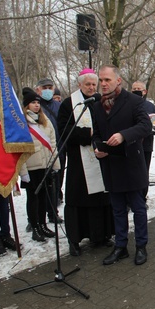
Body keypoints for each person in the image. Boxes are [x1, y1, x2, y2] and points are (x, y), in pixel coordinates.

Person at [92, 65, 152, 265]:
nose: (103, 84)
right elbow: (97, 133)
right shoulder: (97, 105)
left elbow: (145, 126)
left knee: (138, 208)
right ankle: (121, 247)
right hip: (110, 164)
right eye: (101, 80)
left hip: (131, 163)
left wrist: (123, 135)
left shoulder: (133, 101)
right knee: (117, 209)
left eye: (107, 80)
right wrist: (97, 148)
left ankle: (141, 246)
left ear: (118, 80)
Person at [57, 68, 114, 256]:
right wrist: (88, 134)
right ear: (79, 84)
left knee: (100, 196)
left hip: (100, 157)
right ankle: (74, 239)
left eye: (93, 84)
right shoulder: (69, 105)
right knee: (77, 199)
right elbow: (64, 131)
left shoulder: (101, 101)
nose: (91, 87)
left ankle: (101, 235)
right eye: (87, 84)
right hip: (78, 160)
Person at [19, 89, 60, 242]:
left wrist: (55, 164)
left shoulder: (44, 120)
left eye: (38, 102)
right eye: (33, 103)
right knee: (33, 198)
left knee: (44, 197)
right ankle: (35, 227)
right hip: (31, 168)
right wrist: (23, 171)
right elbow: (20, 148)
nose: (36, 105)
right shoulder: (22, 122)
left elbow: (53, 141)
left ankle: (43, 225)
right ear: (26, 105)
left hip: (45, 164)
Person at [34, 78, 64, 224]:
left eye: (50, 87)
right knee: (40, 185)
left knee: (56, 183)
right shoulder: (35, 106)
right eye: (44, 87)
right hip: (41, 152)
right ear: (38, 90)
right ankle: (36, 218)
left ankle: (53, 213)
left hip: (58, 149)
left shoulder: (59, 106)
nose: (47, 90)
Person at [131, 80, 155, 202]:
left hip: (146, 145)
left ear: (144, 91)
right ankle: (129, 200)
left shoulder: (150, 107)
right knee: (130, 173)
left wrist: (147, 130)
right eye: (134, 89)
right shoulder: (125, 105)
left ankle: (142, 198)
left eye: (139, 89)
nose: (136, 91)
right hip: (130, 145)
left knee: (143, 172)